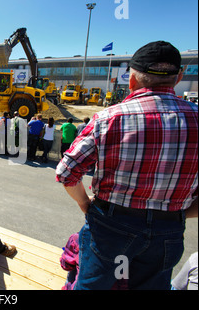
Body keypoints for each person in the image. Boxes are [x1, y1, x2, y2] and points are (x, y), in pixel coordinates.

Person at [55, 41, 198, 290]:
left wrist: (84, 203)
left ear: (132, 80)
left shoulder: (109, 118)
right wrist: (174, 213)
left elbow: (67, 172)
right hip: (169, 228)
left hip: (111, 224)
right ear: (179, 78)